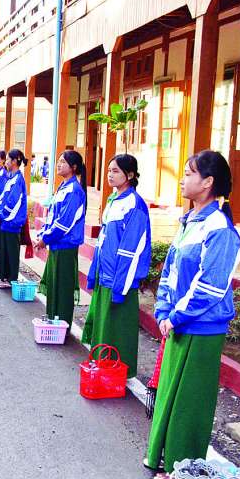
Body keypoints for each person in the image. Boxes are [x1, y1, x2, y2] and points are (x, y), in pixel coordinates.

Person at [146, 151, 240, 479]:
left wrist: (175, 316)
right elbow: (171, 271)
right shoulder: (190, 221)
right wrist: (163, 309)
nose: (183, 179)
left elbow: (210, 285)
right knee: (171, 394)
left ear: (208, 182)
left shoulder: (220, 229)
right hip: (178, 322)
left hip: (202, 328)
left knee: (189, 403)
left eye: (189, 174)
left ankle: (182, 468)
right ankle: (165, 455)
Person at [81, 154, 151, 378]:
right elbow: (104, 240)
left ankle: (119, 373)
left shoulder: (135, 205)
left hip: (120, 280)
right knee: (104, 328)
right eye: (109, 170)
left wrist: (120, 286)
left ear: (129, 175)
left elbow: (131, 250)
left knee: (118, 329)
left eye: (116, 171)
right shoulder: (113, 199)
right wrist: (94, 272)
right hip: (105, 274)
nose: (110, 175)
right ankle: (103, 368)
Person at [35, 150, 87, 326]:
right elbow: (53, 216)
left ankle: (62, 325)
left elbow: (64, 223)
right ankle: (53, 321)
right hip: (56, 244)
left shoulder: (74, 190)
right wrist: (43, 234)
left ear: (74, 167)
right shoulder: (63, 187)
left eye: (63, 162)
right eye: (58, 161)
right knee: (54, 286)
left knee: (63, 289)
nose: (58, 164)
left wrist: (45, 239)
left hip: (65, 246)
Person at [0, 149, 29, 288]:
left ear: (14, 161)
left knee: (11, 252)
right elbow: (3, 198)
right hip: (5, 221)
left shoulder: (18, 179)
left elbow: (13, 201)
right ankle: (5, 278)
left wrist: (1, 215)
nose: (6, 162)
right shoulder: (11, 177)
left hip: (12, 222)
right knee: (4, 250)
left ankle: (11, 279)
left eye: (8, 159)